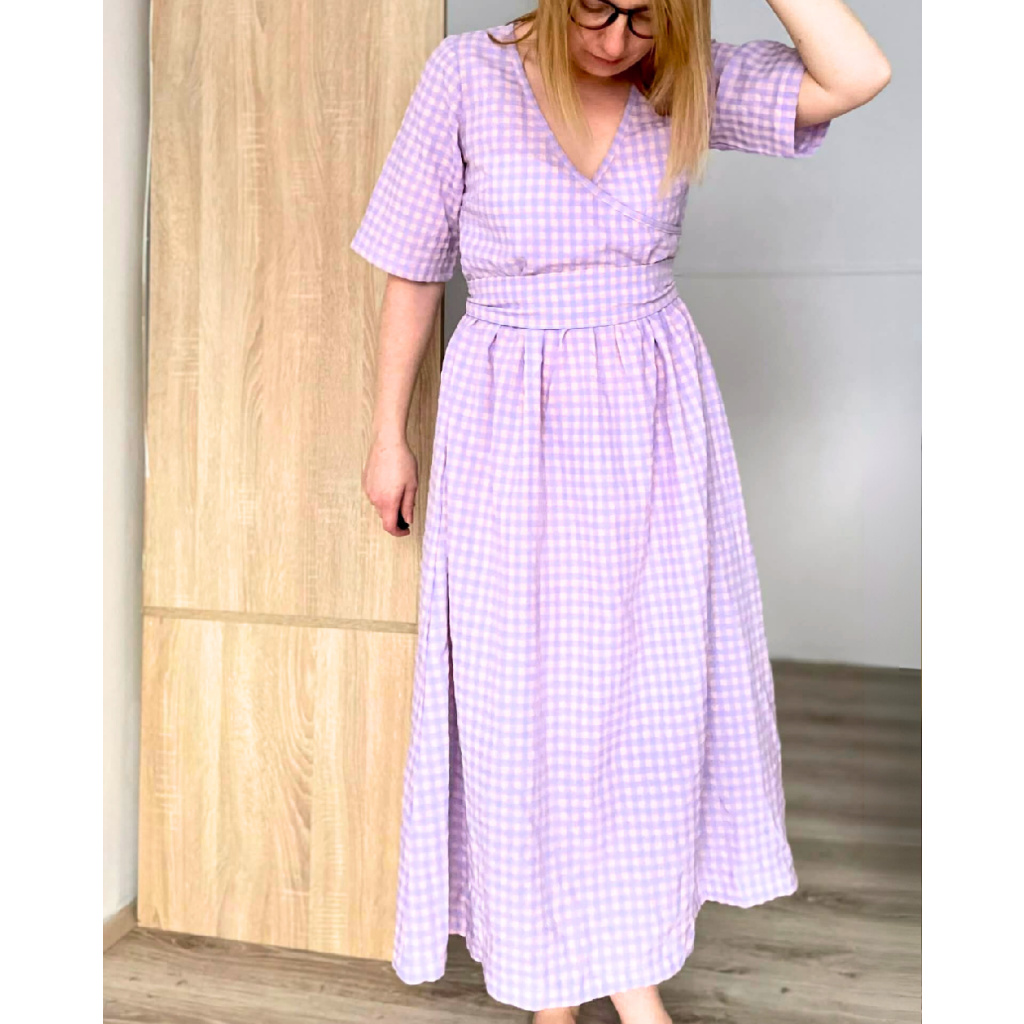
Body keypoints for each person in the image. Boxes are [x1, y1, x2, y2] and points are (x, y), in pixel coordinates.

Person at [351, 2, 890, 1022]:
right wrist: (389, 434)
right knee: (519, 705)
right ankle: (548, 983)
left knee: (642, 704)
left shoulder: (683, 75)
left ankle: (625, 976)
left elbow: (855, 74)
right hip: (509, 421)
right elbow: (412, 266)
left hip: (650, 424)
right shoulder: (466, 76)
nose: (613, 42)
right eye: (596, 12)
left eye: (644, 17)